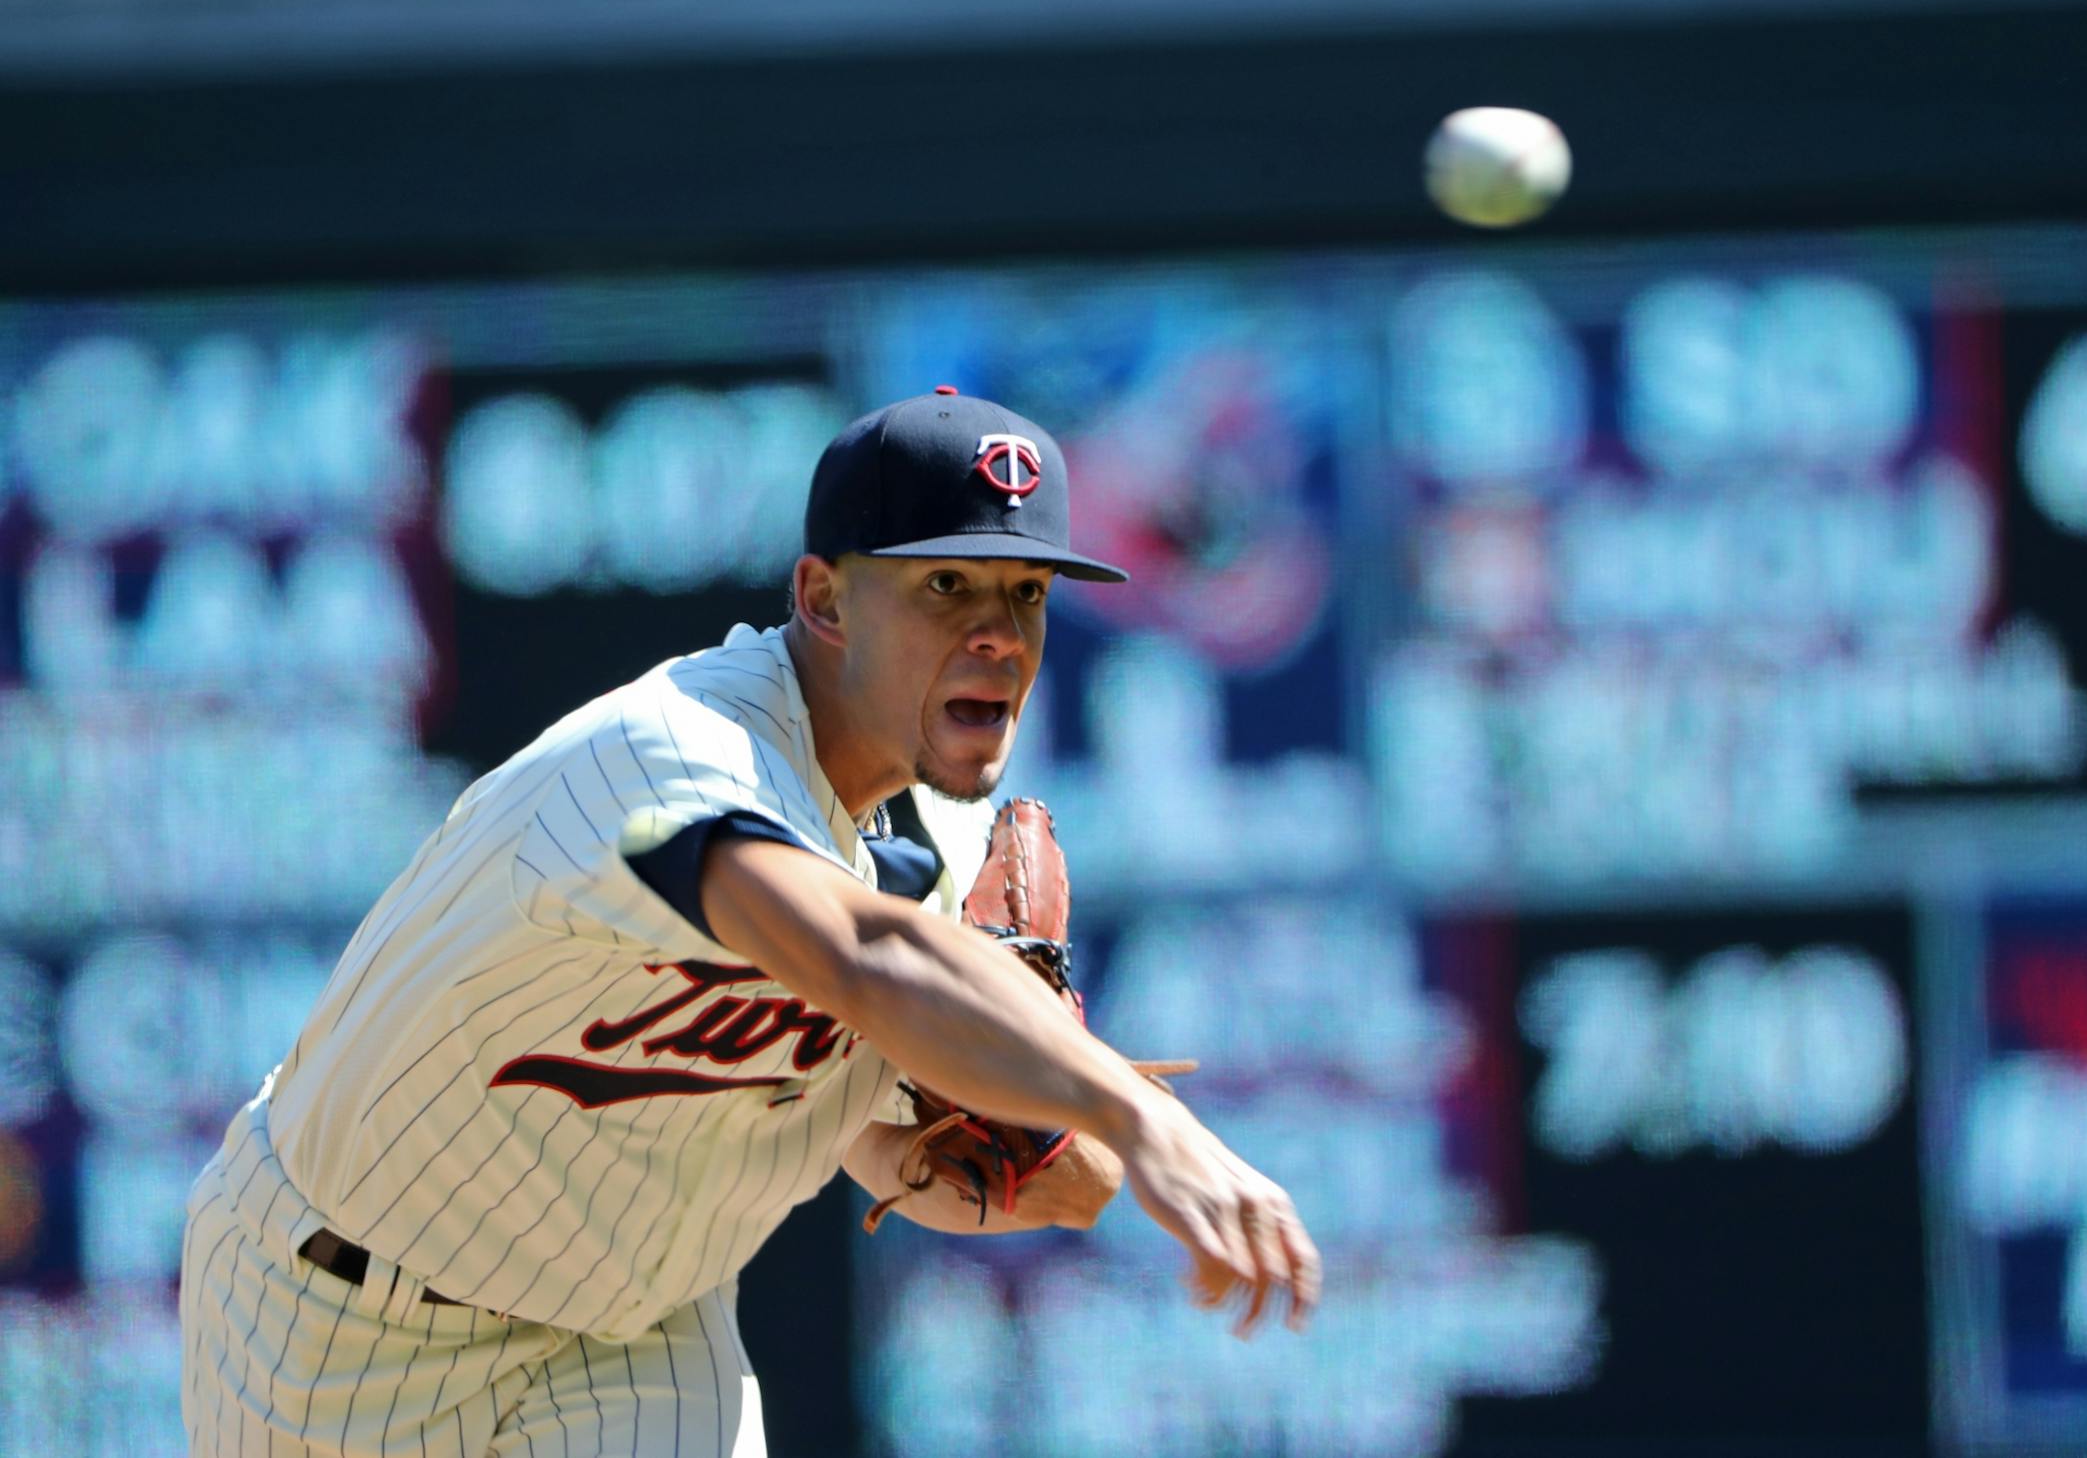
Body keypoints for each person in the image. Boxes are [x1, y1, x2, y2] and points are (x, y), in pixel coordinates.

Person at [177, 386, 1320, 1456]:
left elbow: (860, 1134)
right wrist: (1136, 1112)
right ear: (823, 597)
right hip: (331, 1316)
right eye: (945, 587)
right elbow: (860, 950)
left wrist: (1028, 1154)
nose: (999, 635)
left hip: (633, 1340)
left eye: (1024, 592)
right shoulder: (666, 754)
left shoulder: (949, 841)